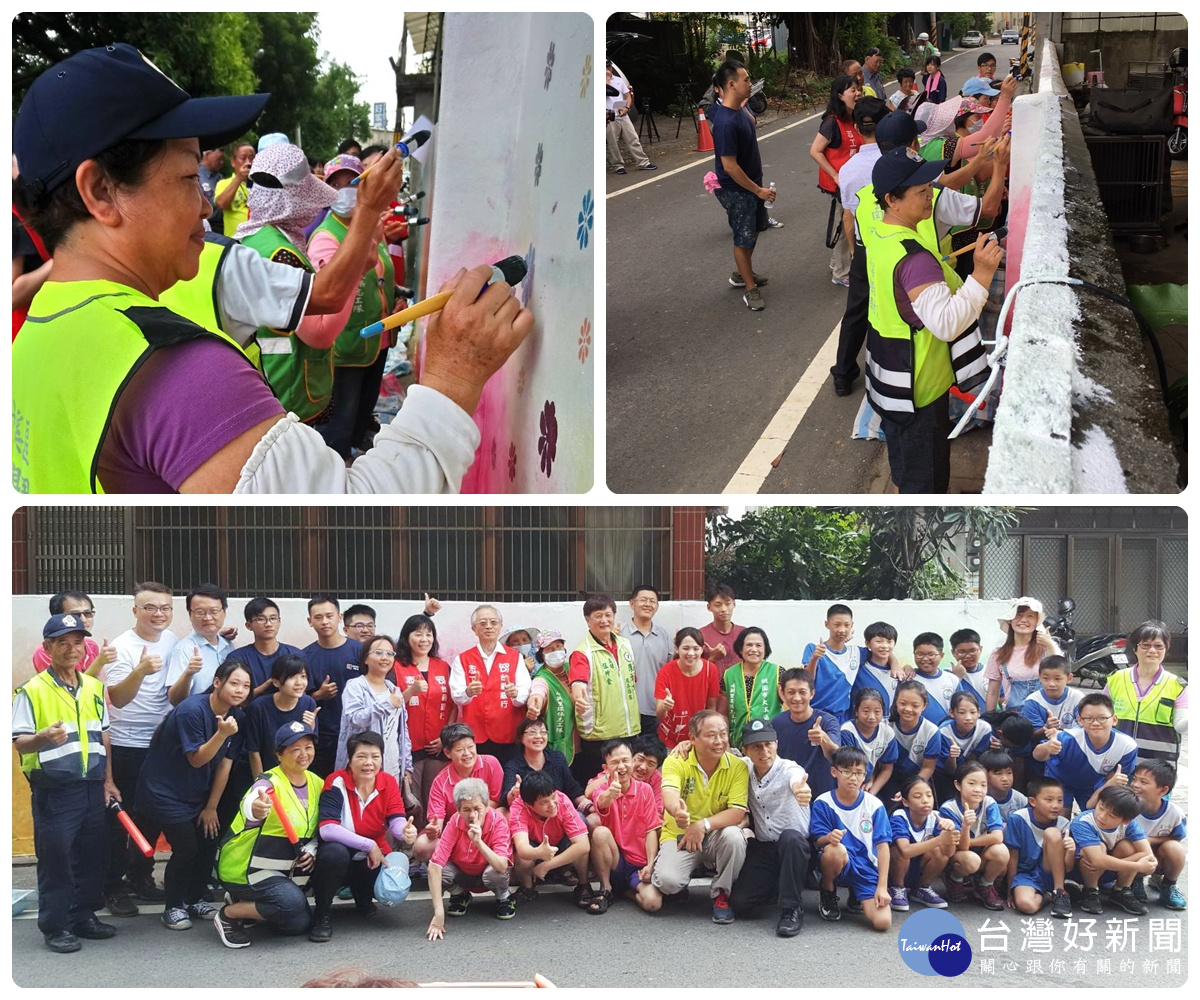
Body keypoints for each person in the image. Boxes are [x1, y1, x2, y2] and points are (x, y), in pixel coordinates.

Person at [12, 44, 532, 495]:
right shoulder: (175, 368)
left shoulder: (37, 333)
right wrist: (452, 376)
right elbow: (344, 531)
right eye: (189, 177)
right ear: (101, 192)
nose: (205, 205)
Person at [860, 145, 1001, 492]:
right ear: (893, 199)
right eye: (922, 191)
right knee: (925, 485)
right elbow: (948, 323)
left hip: (888, 381)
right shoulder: (914, 258)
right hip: (919, 393)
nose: (931, 196)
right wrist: (981, 274)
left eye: (930, 187)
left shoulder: (878, 232)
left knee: (904, 470)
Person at [12, 613, 120, 953]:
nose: (72, 650)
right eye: (63, 643)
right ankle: (56, 926)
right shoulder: (32, 690)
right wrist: (42, 738)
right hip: (55, 790)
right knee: (57, 859)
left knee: (92, 856)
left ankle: (84, 915)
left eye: (78, 643)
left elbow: (103, 737)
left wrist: (108, 782)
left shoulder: (94, 687)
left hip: (91, 786)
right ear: (48, 647)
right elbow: (18, 741)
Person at [136, 658, 251, 931]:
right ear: (217, 682)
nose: (240, 690)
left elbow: (225, 764)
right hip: (163, 791)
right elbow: (197, 760)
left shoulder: (238, 716)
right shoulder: (192, 710)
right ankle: (173, 906)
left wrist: (211, 806)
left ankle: (194, 897)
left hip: (196, 792)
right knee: (186, 847)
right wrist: (221, 735)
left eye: (246, 686)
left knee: (208, 840)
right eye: (234, 683)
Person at [307, 154, 396, 458]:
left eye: (353, 183)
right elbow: (332, 291)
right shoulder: (326, 236)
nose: (345, 190)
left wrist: (395, 298)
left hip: (376, 340)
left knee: (361, 413)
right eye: (336, 184)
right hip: (346, 345)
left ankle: (355, 459)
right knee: (340, 424)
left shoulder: (369, 226)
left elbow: (382, 272)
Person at [102, 582, 179, 916]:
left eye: (164, 608)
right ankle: (112, 886)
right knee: (122, 819)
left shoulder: (173, 639)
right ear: (135, 611)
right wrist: (140, 671)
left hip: (162, 744)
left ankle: (140, 876)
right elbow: (117, 698)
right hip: (127, 744)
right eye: (150, 607)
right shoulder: (122, 647)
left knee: (152, 816)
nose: (158, 614)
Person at [212, 722, 323, 947]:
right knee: (291, 904)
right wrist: (257, 808)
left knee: (297, 925)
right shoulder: (267, 782)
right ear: (279, 755)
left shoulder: (317, 783)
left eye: (308, 747)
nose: (304, 754)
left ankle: (247, 903)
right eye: (295, 749)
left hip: (283, 874)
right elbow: (252, 802)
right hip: (246, 869)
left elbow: (319, 828)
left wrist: (311, 850)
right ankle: (229, 914)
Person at [311, 730, 419, 942]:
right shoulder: (336, 782)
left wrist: (405, 831)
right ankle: (321, 914)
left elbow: (396, 819)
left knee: (394, 873)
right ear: (350, 760)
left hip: (372, 855)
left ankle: (363, 895)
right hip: (342, 852)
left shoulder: (387, 782)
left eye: (375, 756)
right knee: (334, 853)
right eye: (361, 756)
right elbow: (328, 828)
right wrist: (368, 844)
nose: (369, 762)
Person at [645, 710, 748, 923]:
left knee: (735, 837)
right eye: (711, 735)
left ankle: (721, 894)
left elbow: (737, 811)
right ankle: (682, 879)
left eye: (723, 734)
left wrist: (702, 825)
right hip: (680, 835)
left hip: (715, 835)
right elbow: (669, 793)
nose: (719, 741)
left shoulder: (738, 766)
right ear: (692, 739)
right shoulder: (677, 760)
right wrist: (677, 811)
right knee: (667, 882)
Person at [706, 60, 776, 310]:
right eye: (746, 80)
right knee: (742, 237)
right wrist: (758, 190)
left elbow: (750, 129)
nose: (750, 83)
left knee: (755, 229)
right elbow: (730, 166)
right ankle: (749, 288)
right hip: (737, 190)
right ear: (731, 84)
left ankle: (741, 271)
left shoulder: (740, 112)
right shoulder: (725, 123)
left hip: (751, 186)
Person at [733, 718, 813, 937]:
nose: (764, 751)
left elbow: (798, 778)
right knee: (741, 904)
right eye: (757, 746)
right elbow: (717, 753)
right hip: (765, 848)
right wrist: (687, 745)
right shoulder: (744, 768)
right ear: (745, 750)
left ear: (777, 744)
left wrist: (801, 789)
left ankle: (791, 909)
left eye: (769, 744)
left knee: (791, 839)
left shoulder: (788, 768)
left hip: (796, 847)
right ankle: (777, 886)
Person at [830, 96, 888, 396]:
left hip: (866, 248)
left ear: (856, 127)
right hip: (897, 244)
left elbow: (849, 217)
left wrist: (854, 251)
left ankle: (843, 374)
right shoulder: (894, 160)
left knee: (856, 312)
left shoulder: (849, 169)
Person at [811, 745, 893, 929]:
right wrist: (829, 838)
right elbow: (817, 840)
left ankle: (857, 895)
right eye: (847, 771)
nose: (853, 777)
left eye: (858, 773)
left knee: (882, 922)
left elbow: (883, 847)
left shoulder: (874, 805)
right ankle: (828, 891)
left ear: (865, 776)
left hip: (866, 867)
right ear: (834, 772)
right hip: (840, 862)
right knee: (835, 850)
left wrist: (882, 886)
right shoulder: (823, 802)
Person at [425, 777, 514, 938]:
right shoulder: (454, 822)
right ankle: (460, 893)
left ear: (487, 806)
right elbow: (435, 865)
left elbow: (502, 865)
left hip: (489, 873)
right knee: (437, 869)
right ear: (458, 810)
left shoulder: (498, 821)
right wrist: (438, 914)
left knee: (495, 872)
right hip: (462, 873)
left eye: (477, 808)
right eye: (466, 810)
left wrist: (479, 842)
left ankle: (503, 897)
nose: (472, 815)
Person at [568, 594, 640, 784]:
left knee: (627, 782)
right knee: (600, 783)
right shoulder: (582, 653)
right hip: (599, 734)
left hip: (629, 728)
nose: (604, 620)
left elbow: (632, 680)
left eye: (608, 615)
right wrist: (579, 697)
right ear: (587, 620)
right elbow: (578, 683)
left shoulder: (625, 645)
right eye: (598, 615)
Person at [336, 636, 414, 810]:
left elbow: (402, 732)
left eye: (389, 653)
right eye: (378, 652)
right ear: (365, 658)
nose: (385, 657)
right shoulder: (355, 686)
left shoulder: (393, 688)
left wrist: (407, 765)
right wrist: (387, 704)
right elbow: (355, 719)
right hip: (363, 766)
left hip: (392, 765)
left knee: (388, 815)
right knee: (359, 813)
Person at [587, 737, 662, 913]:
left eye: (625, 760)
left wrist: (650, 865)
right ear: (606, 768)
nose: (621, 766)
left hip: (638, 864)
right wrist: (610, 794)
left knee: (653, 903)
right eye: (615, 762)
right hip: (615, 861)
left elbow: (651, 829)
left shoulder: (645, 790)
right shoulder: (603, 789)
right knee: (600, 832)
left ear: (632, 760)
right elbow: (601, 801)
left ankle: (626, 892)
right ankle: (606, 888)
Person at [393, 613, 454, 829]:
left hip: (439, 745)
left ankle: (435, 845)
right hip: (408, 747)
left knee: (436, 798)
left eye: (428, 634)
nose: (424, 639)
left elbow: (454, 706)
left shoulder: (443, 666)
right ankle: (411, 846)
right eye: (418, 634)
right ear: (406, 637)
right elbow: (392, 704)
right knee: (411, 800)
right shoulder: (396, 666)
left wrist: (445, 738)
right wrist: (411, 691)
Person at [450, 605, 530, 764]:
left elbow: (525, 691)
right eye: (482, 623)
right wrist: (468, 691)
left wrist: (515, 694)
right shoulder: (463, 659)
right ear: (474, 628)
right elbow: (456, 695)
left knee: (509, 781)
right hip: (475, 735)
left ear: (500, 626)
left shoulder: (514, 657)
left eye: (493, 622)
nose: (488, 626)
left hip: (508, 734)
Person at [412, 723, 504, 862]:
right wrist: (434, 830)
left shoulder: (491, 764)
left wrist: (473, 818)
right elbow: (437, 822)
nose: (467, 753)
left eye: (471, 747)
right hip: (456, 832)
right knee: (421, 846)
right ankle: (454, 863)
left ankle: (495, 861)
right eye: (460, 749)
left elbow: (496, 801)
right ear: (447, 753)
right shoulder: (440, 782)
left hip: (485, 826)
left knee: (503, 813)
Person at [1037, 692, 1139, 814]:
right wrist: (1048, 747)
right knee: (1059, 820)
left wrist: (1102, 791)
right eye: (1088, 718)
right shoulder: (1068, 738)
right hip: (1060, 779)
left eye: (1102, 718)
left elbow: (1113, 781)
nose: (1095, 723)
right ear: (1080, 720)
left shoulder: (1127, 746)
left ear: (1114, 719)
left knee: (1099, 816)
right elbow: (1037, 755)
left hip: (1093, 783)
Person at [1105, 620, 1188, 764]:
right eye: (1145, 645)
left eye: (1158, 646)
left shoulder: (1177, 686)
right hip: (1118, 763)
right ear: (1135, 648)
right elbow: (1099, 715)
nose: (1152, 651)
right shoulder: (1116, 679)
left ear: (1166, 649)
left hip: (1157, 769)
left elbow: (1180, 726)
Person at [1069, 785, 1156, 916]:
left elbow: (1147, 854)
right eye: (1101, 808)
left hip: (1108, 869)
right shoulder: (1083, 822)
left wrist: (1108, 864)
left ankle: (1121, 890)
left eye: (1111, 815)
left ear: (1125, 820)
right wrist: (1138, 866)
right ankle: (1090, 891)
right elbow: (1097, 860)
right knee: (1097, 851)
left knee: (1128, 847)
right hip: (1082, 870)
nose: (1102, 816)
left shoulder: (1130, 824)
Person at [810, 74, 862, 288]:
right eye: (852, 90)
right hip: (840, 184)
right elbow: (815, 151)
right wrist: (834, 175)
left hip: (851, 181)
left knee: (846, 223)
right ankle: (841, 273)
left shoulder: (853, 118)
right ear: (840, 96)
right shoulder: (832, 122)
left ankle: (836, 262)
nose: (857, 93)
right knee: (847, 225)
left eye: (858, 89)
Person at [509, 769, 591, 904]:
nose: (552, 805)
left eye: (553, 797)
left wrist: (546, 866)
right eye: (544, 802)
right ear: (529, 804)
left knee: (580, 833)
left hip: (561, 845)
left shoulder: (563, 800)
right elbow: (522, 848)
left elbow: (583, 846)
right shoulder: (519, 808)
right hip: (536, 847)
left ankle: (584, 885)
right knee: (520, 857)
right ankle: (528, 888)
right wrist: (538, 852)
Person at [303, 595, 362, 777]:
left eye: (329, 616)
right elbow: (298, 699)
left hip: (357, 734)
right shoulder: (305, 656)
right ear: (310, 621)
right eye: (318, 617)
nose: (325, 622)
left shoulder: (359, 650)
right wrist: (318, 695)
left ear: (340, 617)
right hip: (322, 737)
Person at [938, 760, 1008, 908]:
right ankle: (954, 879)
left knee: (1001, 851)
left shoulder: (989, 803)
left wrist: (971, 841)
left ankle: (985, 884)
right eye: (972, 783)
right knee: (970, 859)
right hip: (959, 856)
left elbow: (997, 836)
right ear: (958, 785)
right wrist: (965, 826)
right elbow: (961, 847)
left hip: (980, 852)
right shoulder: (949, 808)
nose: (978, 789)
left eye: (983, 785)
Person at [1003, 776, 1074, 918]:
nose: (1055, 805)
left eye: (1060, 800)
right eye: (1049, 800)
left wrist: (1070, 851)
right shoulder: (1018, 819)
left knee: (1052, 833)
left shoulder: (1064, 824)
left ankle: (1059, 892)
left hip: (1051, 874)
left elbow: (1068, 867)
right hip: (1025, 875)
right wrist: (1010, 890)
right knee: (1026, 905)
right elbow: (1013, 856)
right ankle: (1048, 896)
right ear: (1032, 801)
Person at [771, 668, 841, 801]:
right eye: (791, 692)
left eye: (802, 692)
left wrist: (823, 739)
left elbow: (837, 757)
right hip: (791, 795)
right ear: (782, 693)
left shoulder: (827, 721)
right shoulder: (777, 722)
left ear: (812, 693)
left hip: (822, 797)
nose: (797, 698)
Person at [887, 775, 955, 911]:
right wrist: (939, 840)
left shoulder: (935, 817)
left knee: (940, 851)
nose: (925, 800)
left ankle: (922, 888)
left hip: (920, 869)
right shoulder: (899, 816)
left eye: (929, 795)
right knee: (898, 850)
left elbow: (949, 853)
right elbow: (905, 851)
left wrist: (949, 833)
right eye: (918, 796)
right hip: (896, 871)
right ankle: (897, 888)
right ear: (906, 802)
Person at [244, 654, 319, 775]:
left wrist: (310, 728)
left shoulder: (308, 703)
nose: (299, 682)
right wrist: (261, 783)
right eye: (292, 677)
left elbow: (308, 747)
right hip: (268, 773)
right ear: (276, 682)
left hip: (296, 771)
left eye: (303, 676)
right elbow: (254, 751)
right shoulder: (258, 707)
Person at [1128, 760, 1187, 910]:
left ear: (1163, 791)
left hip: (1158, 858)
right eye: (1134, 779)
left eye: (1143, 782)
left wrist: (1149, 840)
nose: (1135, 784)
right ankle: (1134, 881)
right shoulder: (1128, 807)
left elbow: (1177, 837)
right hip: (1135, 857)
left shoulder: (1174, 813)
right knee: (1127, 846)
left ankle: (1168, 885)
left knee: (1175, 848)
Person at [501, 717, 588, 818]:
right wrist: (513, 793)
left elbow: (572, 789)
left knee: (581, 818)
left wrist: (588, 804)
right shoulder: (513, 766)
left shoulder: (557, 758)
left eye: (543, 732)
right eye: (532, 732)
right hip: (529, 817)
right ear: (521, 738)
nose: (538, 736)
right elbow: (506, 801)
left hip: (558, 813)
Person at [983, 599, 1061, 711]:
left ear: (1037, 622)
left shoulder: (1046, 648)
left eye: (1030, 616)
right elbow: (992, 692)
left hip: (1047, 715)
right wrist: (989, 720)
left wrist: (1050, 645)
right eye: (1018, 615)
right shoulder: (998, 654)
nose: (1023, 620)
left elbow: (1060, 674)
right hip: (1015, 719)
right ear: (1010, 620)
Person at [166, 584, 234, 705]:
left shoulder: (228, 645)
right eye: (200, 612)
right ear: (190, 615)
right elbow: (174, 700)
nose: (207, 618)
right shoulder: (185, 649)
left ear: (224, 612)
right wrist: (188, 673)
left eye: (214, 611)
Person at [654, 627, 720, 749]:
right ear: (677, 649)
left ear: (702, 650)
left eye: (696, 648)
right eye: (685, 648)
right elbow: (659, 714)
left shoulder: (710, 670)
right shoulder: (665, 672)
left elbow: (711, 708)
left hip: (699, 739)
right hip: (670, 741)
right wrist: (664, 707)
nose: (691, 653)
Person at [622, 585, 673, 736]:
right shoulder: (620, 634)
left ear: (657, 606)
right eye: (643, 600)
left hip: (655, 708)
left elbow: (671, 669)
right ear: (632, 604)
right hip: (625, 710)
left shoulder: (663, 635)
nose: (648, 604)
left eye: (652, 601)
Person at [719, 626, 783, 746]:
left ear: (765, 649)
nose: (754, 650)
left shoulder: (777, 672)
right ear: (740, 649)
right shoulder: (728, 674)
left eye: (759, 645)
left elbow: (790, 703)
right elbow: (723, 713)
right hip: (738, 740)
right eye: (749, 645)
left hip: (768, 740)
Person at [886, 681, 945, 801]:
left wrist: (910, 790)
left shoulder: (931, 731)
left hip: (918, 781)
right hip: (887, 779)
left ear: (924, 706)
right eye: (903, 703)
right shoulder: (885, 726)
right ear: (896, 701)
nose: (908, 709)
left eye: (915, 705)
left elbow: (928, 768)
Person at [31, 590, 113, 677]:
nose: (83, 620)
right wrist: (99, 663)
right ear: (57, 617)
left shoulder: (92, 646)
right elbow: (67, 687)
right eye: (75, 615)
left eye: (87, 613)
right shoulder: (46, 651)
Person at [526, 628, 576, 763]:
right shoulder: (542, 678)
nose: (555, 651)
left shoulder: (571, 668)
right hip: (560, 746)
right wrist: (534, 705)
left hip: (582, 740)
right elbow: (537, 694)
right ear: (542, 655)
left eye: (558, 646)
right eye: (549, 649)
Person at [237, 597, 303, 699]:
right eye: (261, 619)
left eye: (273, 618)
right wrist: (268, 684)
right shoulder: (238, 658)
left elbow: (303, 693)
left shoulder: (296, 654)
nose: (268, 624)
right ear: (248, 625)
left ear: (279, 621)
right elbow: (235, 697)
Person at [1019, 655, 1085, 756]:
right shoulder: (1032, 702)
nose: (1051, 684)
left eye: (1057, 679)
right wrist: (1046, 727)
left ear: (1069, 678)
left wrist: (1060, 734)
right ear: (1039, 678)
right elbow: (1031, 735)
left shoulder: (1077, 697)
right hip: (1043, 751)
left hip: (1072, 747)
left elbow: (1084, 725)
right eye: (1046, 678)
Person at [936, 692, 994, 801]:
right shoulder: (944, 731)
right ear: (952, 713)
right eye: (962, 712)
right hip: (946, 775)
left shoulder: (984, 728)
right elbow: (949, 770)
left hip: (971, 768)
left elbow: (977, 759)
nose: (968, 718)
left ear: (979, 713)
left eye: (973, 712)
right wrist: (952, 756)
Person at [839, 688, 897, 795]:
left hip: (868, 785)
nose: (872, 717)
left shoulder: (887, 732)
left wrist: (872, 791)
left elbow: (887, 768)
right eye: (866, 711)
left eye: (877, 712)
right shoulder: (847, 731)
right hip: (848, 783)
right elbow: (849, 767)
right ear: (856, 711)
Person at [605, 62, 656, 174]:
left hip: (622, 113)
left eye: (609, 66)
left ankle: (643, 162)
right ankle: (618, 165)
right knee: (613, 142)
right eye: (605, 67)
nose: (608, 69)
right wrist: (607, 79)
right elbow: (607, 92)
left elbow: (627, 95)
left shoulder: (618, 80)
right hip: (610, 115)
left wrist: (627, 107)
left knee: (633, 138)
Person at [849, 620, 903, 717]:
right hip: (860, 724)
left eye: (889, 641)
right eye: (879, 641)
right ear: (868, 643)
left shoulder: (898, 673)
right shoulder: (858, 668)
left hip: (887, 727)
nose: (885, 646)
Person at [908, 632, 960, 725]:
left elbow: (960, 707)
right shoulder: (908, 678)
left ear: (941, 655)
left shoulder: (952, 679)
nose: (925, 659)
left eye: (931, 654)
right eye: (919, 654)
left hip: (946, 732)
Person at [698, 584, 745, 671]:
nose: (723, 609)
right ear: (709, 607)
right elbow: (695, 672)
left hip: (739, 684)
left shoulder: (744, 634)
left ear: (734, 604)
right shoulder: (700, 635)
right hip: (711, 684)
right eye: (718, 605)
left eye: (728, 604)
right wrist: (713, 658)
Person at [214, 142, 253, 237]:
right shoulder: (224, 183)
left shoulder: (262, 184)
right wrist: (239, 178)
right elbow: (221, 204)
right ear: (233, 162)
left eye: (252, 158)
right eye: (243, 158)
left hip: (258, 238)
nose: (248, 162)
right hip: (236, 239)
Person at [980, 748, 1027, 823]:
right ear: (985, 774)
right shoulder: (980, 799)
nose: (1005, 778)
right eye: (999, 773)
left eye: (1009, 773)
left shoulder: (1019, 799)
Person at [949, 628, 988, 710]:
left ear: (980, 649)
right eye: (962, 652)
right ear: (953, 653)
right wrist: (956, 677)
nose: (968, 656)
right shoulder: (947, 675)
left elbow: (1002, 699)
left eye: (973, 650)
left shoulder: (990, 672)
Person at [197, 147, 225, 231]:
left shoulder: (220, 178)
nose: (221, 162)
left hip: (223, 225)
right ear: (208, 154)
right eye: (219, 159)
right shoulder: (197, 176)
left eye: (222, 159)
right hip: (206, 225)